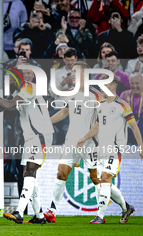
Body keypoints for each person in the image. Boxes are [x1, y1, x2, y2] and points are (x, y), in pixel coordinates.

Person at [0, 66, 54, 224]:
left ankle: (19, 211)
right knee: (28, 174)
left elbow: (8, 105)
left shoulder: (29, 88)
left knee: (30, 171)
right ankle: (39, 216)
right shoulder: (18, 93)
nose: (8, 80)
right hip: (30, 138)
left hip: (40, 135)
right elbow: (4, 110)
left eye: (10, 77)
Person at [77, 74, 142, 224]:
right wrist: (85, 137)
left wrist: (141, 146)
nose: (101, 88)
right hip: (101, 150)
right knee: (104, 183)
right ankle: (126, 207)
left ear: (112, 86)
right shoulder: (101, 105)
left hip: (116, 149)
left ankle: (100, 216)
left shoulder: (123, 105)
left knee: (105, 178)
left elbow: (134, 126)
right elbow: (98, 126)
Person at [44, 61, 102, 223]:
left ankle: (118, 207)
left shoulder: (96, 95)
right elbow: (64, 112)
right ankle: (52, 210)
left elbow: (100, 122)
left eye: (76, 73)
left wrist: (86, 137)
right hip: (71, 142)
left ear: (84, 74)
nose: (73, 76)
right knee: (61, 173)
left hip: (90, 142)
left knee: (96, 178)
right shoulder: (71, 93)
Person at [120, 73, 143, 145]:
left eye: (137, 83)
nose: (134, 86)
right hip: (127, 139)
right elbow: (119, 115)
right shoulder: (124, 94)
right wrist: (127, 103)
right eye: (132, 83)